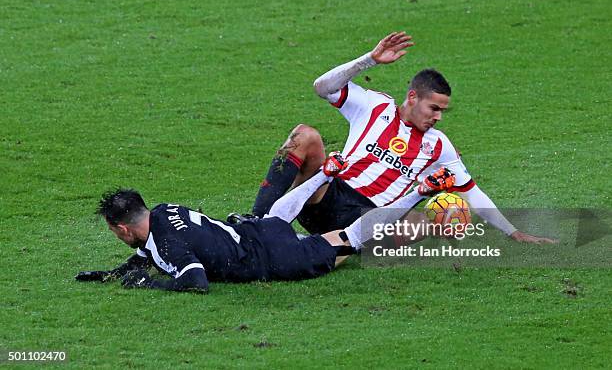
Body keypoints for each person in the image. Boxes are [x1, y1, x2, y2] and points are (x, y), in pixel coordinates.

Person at [251, 31, 555, 244]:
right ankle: (255, 223)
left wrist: (513, 233)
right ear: (412, 97)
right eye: (434, 108)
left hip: (368, 219)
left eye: (442, 111)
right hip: (326, 196)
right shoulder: (374, 105)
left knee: (431, 222)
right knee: (305, 135)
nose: (437, 117)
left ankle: (328, 244)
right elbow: (322, 87)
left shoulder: (438, 146)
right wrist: (368, 60)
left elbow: (471, 193)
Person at [75, 160, 456, 293]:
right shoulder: (160, 212)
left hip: (274, 258)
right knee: (278, 213)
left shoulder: (168, 246)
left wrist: (151, 284)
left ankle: (418, 193)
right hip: (255, 229)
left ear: (122, 229)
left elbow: (195, 282)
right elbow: (146, 252)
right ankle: (325, 174)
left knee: (351, 239)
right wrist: (111, 275)